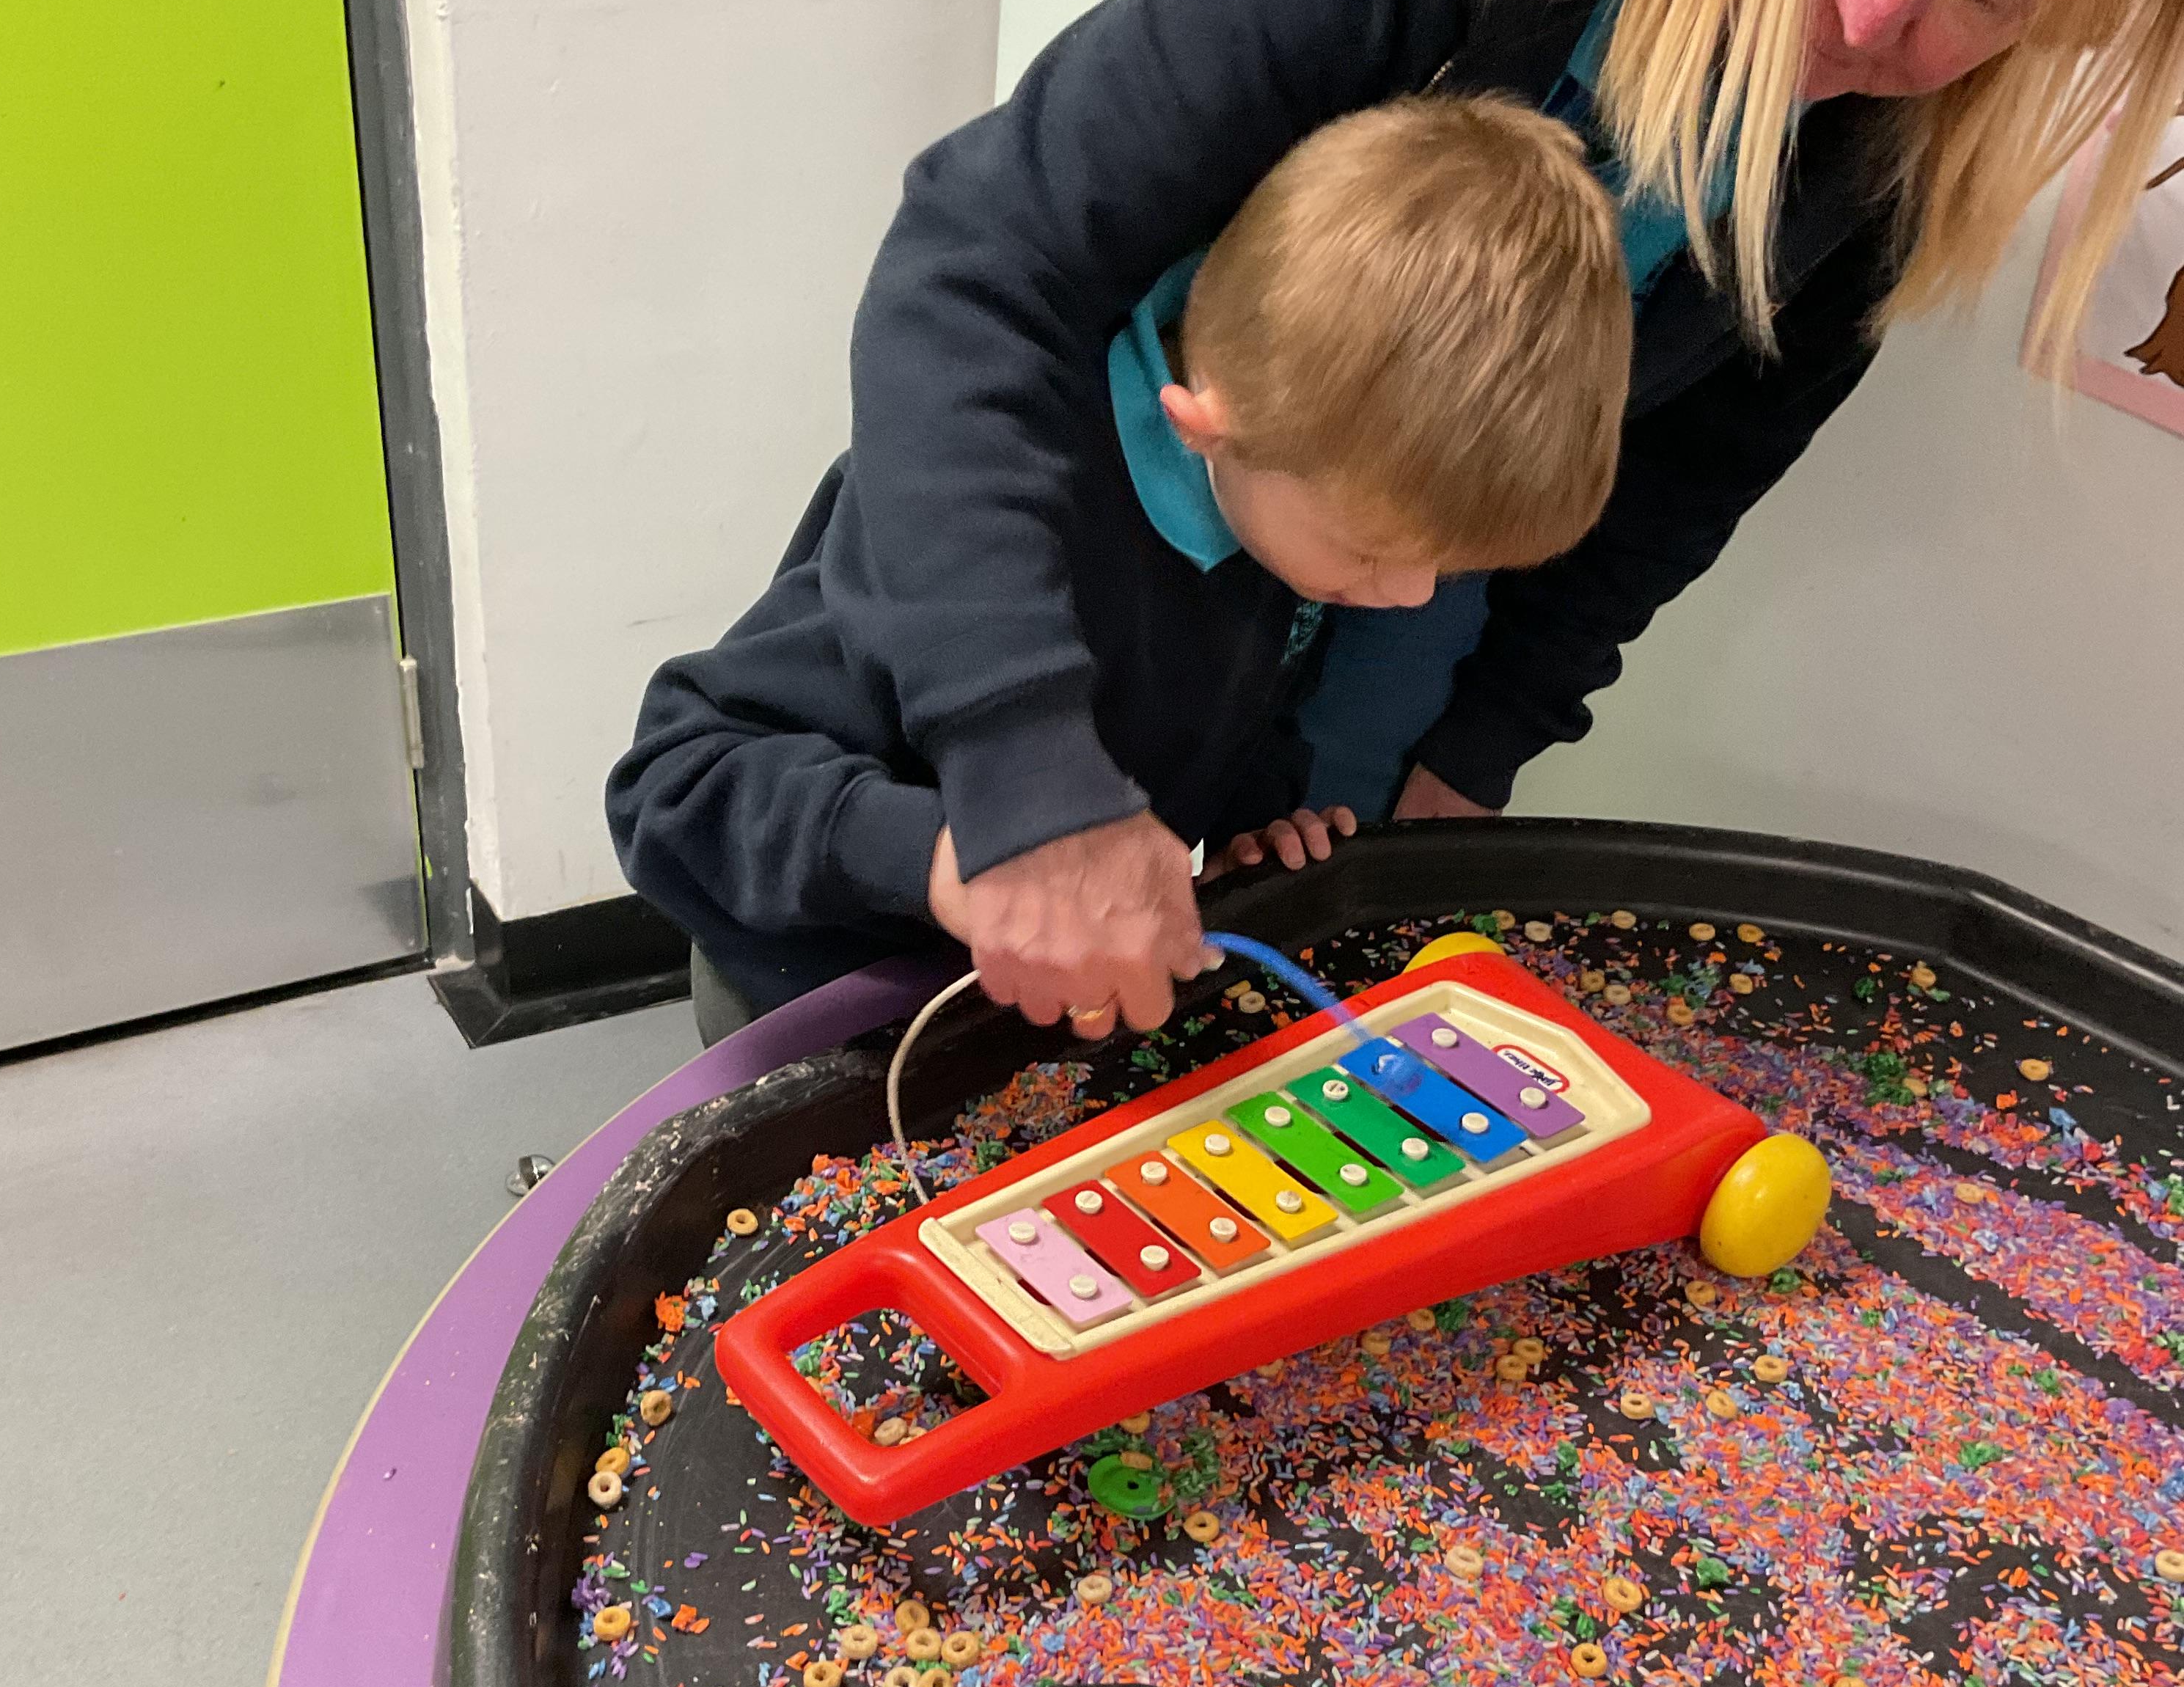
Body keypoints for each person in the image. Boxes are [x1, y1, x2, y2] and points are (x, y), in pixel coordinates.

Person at [626, 0, 2184, 1041]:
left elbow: (1684, 477)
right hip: (836, 989)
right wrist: (1021, 791)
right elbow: (985, 263)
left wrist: (1437, 762)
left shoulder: (1312, 572)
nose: (1877, 13)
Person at [611, 92, 1631, 1041]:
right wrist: (948, 862)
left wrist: (1250, 837)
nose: (1407, 598)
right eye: (1374, 555)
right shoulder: (990, 516)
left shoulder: (1286, 510)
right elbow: (677, 783)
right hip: (820, 1005)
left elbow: (1219, 715)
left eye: (1444, 571)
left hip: (1016, 1025)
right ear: (1208, 425)